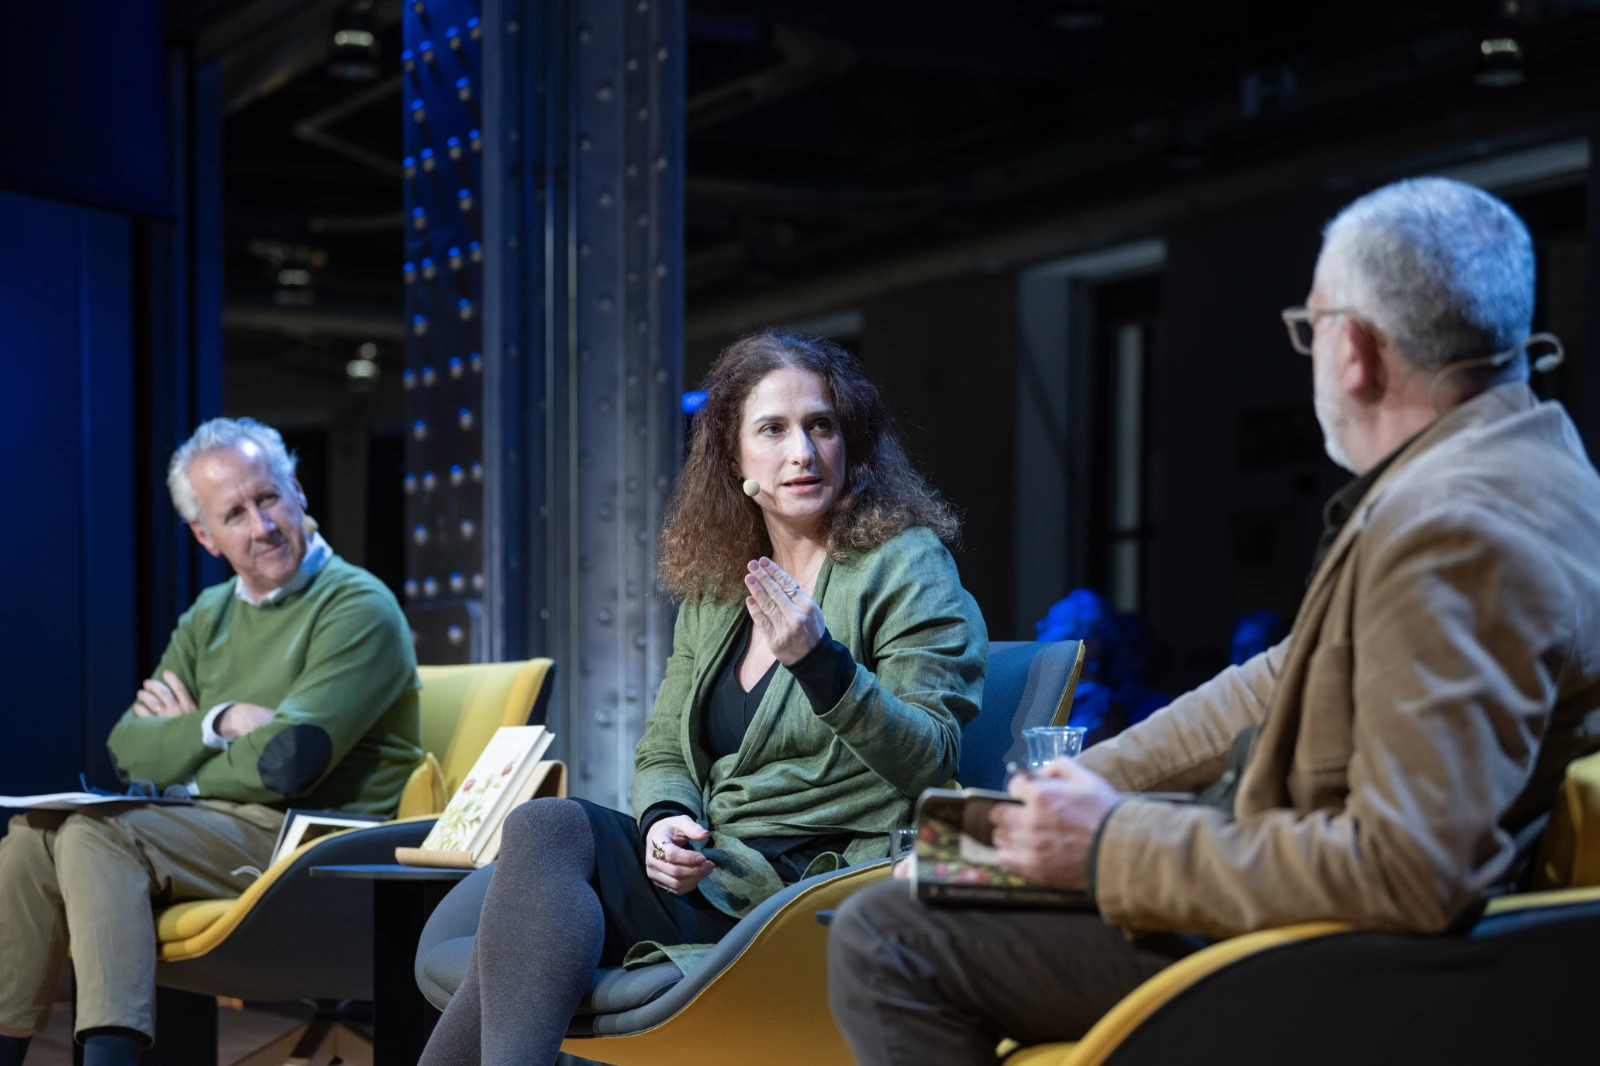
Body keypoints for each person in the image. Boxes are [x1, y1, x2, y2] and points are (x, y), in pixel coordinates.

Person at [827, 177, 1600, 1063]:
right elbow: (1281, 678)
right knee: (948, 859)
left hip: (1332, 960)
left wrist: (1107, 842)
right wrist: (1051, 806)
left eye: (1310, 330)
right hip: (1300, 901)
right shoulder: (1529, 472)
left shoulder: (1449, 530)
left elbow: (1408, 871)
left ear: (1353, 350)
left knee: (883, 935)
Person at [418, 328, 987, 1066]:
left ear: (851, 441)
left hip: (811, 886)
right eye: (773, 430)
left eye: (822, 425)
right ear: (734, 457)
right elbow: (663, 746)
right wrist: (664, 821)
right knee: (548, 826)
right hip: (717, 868)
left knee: (513, 956)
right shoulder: (724, 585)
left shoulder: (905, 563)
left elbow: (932, 759)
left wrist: (823, 666)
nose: (803, 452)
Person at [0, 418, 421, 1066]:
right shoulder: (209, 614)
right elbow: (128, 746)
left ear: (299, 491)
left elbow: (290, 762)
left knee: (95, 831)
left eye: (270, 498)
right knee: (33, 833)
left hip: (312, 843)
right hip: (206, 827)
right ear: (205, 535)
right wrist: (220, 722)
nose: (262, 526)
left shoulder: (358, 605)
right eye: (235, 514)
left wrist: (186, 770)